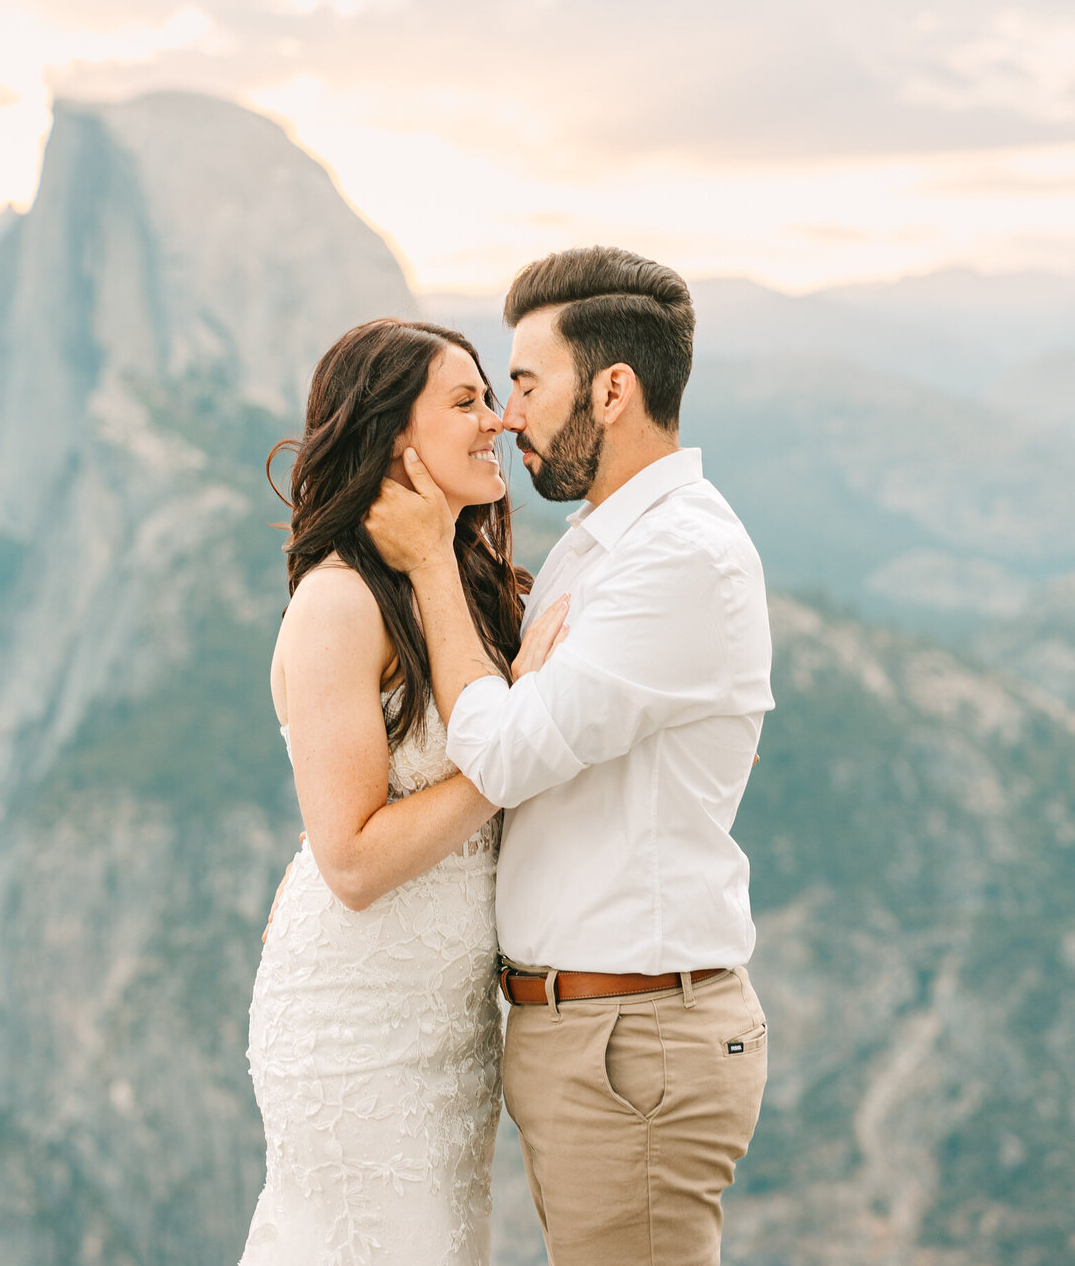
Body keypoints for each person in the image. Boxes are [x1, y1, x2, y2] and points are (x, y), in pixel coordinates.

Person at [365, 246, 775, 1266]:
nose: (510, 414)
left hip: (633, 1043)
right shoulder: (606, 547)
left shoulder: (679, 558)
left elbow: (501, 752)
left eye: (529, 384)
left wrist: (424, 564)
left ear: (614, 390)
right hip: (594, 1035)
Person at [239, 317, 567, 1266]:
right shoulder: (340, 600)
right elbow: (349, 859)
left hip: (449, 1025)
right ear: (394, 439)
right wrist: (514, 748)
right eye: (465, 403)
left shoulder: (458, 584)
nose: (498, 422)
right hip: (357, 1025)